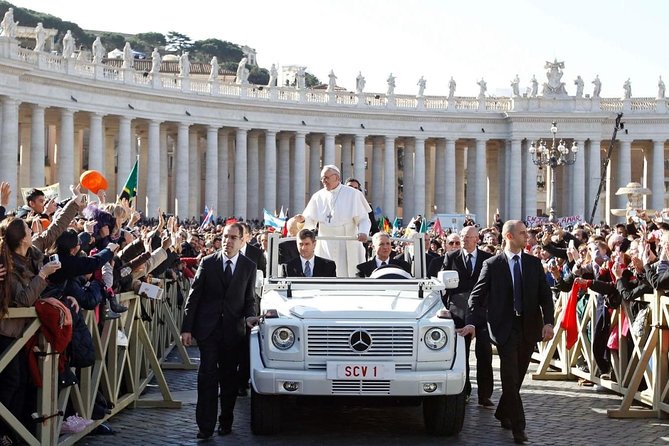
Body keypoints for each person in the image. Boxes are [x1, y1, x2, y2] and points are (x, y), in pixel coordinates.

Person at [459, 220, 554, 444]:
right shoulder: (493, 264)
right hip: (504, 328)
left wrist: (548, 322)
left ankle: (503, 411)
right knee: (509, 377)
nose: (527, 237)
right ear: (509, 237)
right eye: (522, 233)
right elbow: (476, 297)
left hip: (529, 327)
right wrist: (473, 322)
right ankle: (519, 428)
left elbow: (545, 296)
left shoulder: (533, 264)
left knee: (518, 375)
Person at [180, 223, 259, 439]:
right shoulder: (208, 263)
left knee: (228, 379)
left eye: (233, 238)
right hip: (208, 330)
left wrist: (250, 317)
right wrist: (187, 328)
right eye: (225, 237)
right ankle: (205, 426)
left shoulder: (249, 266)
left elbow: (249, 299)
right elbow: (193, 297)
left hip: (233, 332)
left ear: (243, 240)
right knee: (207, 376)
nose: (228, 241)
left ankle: (226, 420)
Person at [439, 226, 494, 407]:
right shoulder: (451, 257)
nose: (464, 240)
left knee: (484, 353)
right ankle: (464, 391)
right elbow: (443, 285)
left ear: (477, 239)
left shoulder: (487, 259)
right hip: (459, 311)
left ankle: (485, 394)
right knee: (460, 354)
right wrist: (443, 307)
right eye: (462, 236)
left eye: (468, 237)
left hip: (482, 311)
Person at [295, 165, 371, 277]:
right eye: (322, 178)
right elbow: (310, 221)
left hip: (347, 241)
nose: (323, 181)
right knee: (325, 274)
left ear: (336, 177)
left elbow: (363, 219)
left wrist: (363, 232)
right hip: (325, 243)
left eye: (326, 177)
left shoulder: (353, 194)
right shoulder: (318, 196)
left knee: (348, 275)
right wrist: (302, 220)